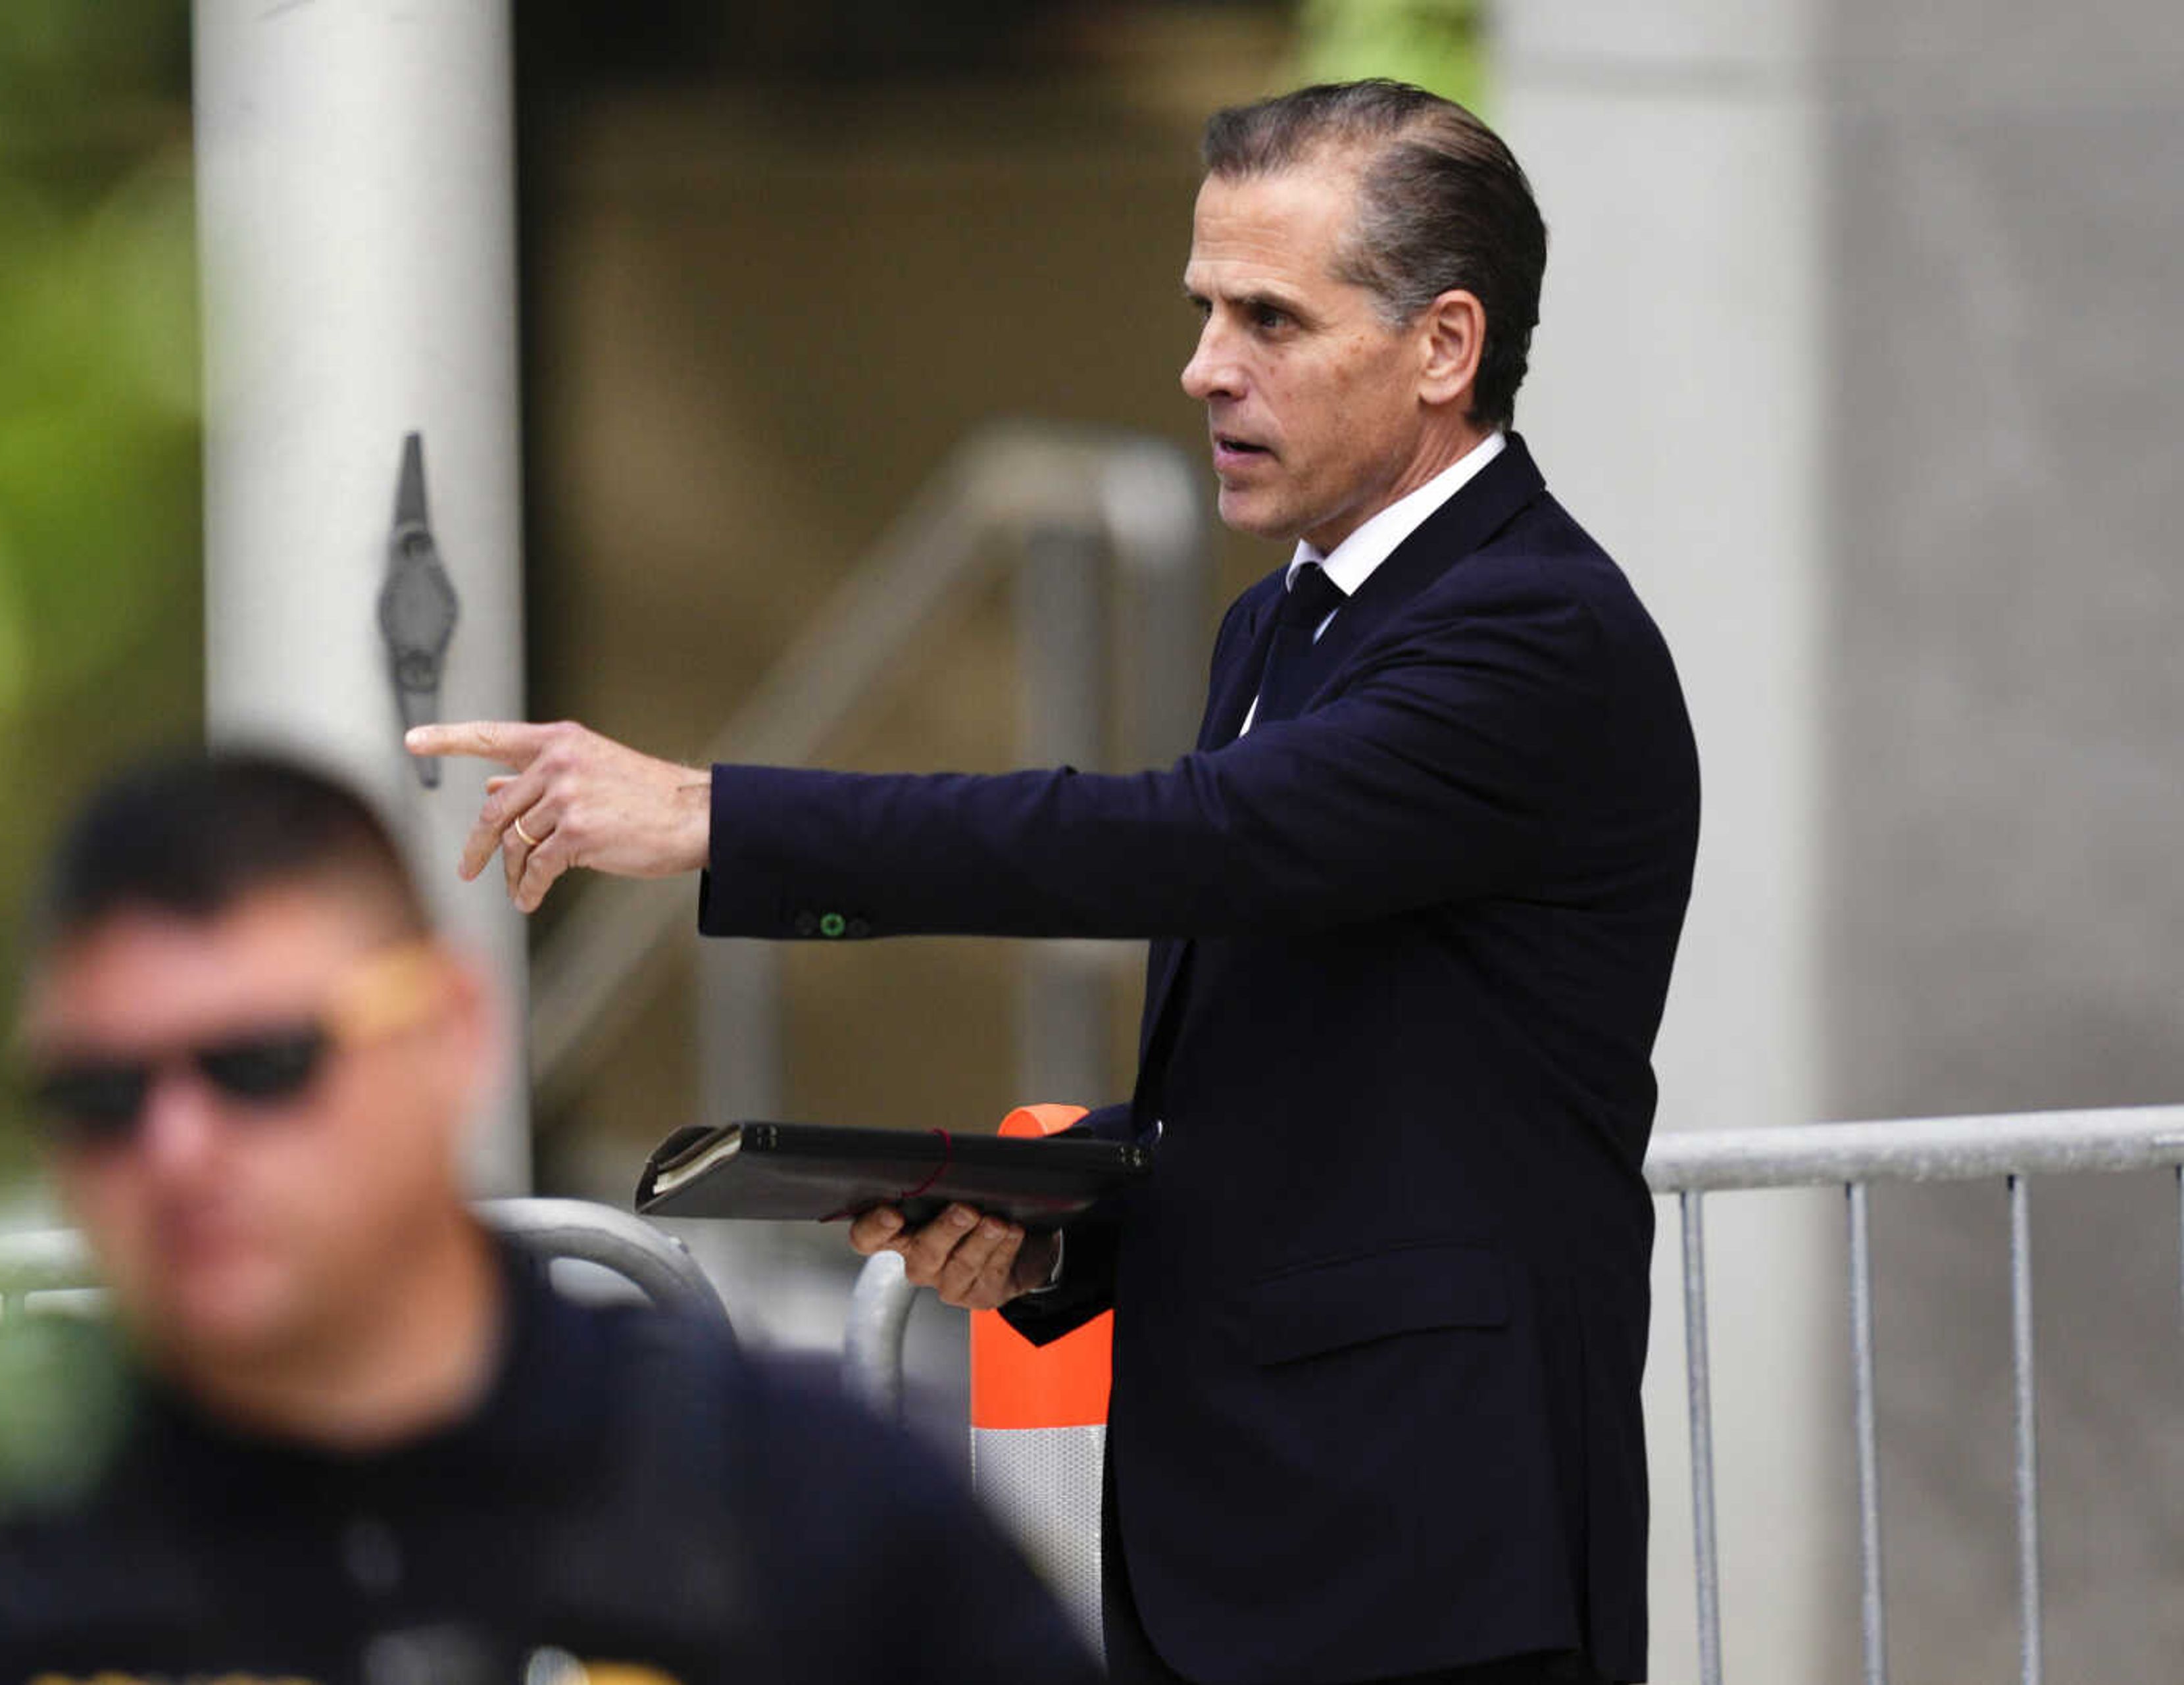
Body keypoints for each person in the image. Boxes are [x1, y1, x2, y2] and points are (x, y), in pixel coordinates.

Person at [410, 80, 1698, 1685]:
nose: (1205, 365)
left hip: (1428, 1560)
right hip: (1236, 1548)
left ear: (1444, 347)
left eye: (1269, 319)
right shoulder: (1284, 625)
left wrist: (716, 817)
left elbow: (1177, 840)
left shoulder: (1535, 636)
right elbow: (1320, 1077)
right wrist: (1057, 1233)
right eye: (1204, 308)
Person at [0, 751, 1099, 1685]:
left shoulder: (807, 1514)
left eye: (260, 1066)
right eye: (101, 1095)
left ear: (450, 1037)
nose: (176, 1150)